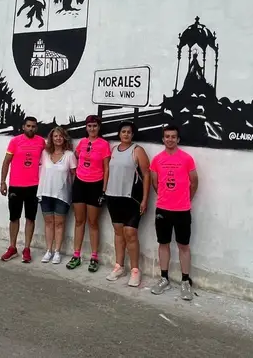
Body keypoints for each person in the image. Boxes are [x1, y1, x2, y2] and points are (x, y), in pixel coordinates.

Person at [149, 125, 199, 300]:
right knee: (163, 244)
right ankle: (164, 278)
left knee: (183, 246)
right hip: (163, 209)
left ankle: (185, 281)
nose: (170, 139)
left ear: (178, 140)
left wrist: (185, 199)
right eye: (167, 136)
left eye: (173, 137)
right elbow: (155, 184)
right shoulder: (156, 160)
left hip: (182, 210)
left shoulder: (187, 159)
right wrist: (166, 197)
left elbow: (194, 182)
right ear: (163, 139)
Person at [105, 121, 150, 287]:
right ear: (119, 134)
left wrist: (145, 199)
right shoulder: (114, 150)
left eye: (129, 132)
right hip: (113, 196)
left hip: (131, 198)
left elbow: (146, 175)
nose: (125, 134)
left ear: (132, 135)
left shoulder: (137, 150)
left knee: (130, 233)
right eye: (123, 132)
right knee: (118, 233)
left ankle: (135, 270)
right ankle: (119, 266)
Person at [66, 115, 111, 272]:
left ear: (99, 128)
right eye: (90, 126)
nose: (92, 129)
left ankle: (94, 257)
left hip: (96, 185)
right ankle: (76, 255)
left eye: (95, 126)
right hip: (80, 183)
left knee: (92, 222)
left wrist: (104, 190)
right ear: (86, 128)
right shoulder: (82, 143)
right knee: (79, 221)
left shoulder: (104, 144)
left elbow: (106, 168)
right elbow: (76, 156)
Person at [0, 116, 46, 264]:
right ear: (23, 127)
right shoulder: (15, 141)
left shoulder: (41, 142)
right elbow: (6, 162)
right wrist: (2, 182)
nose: (31, 128)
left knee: (30, 218)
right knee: (14, 218)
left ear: (36, 128)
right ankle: (12, 247)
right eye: (28, 126)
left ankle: (27, 249)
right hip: (16, 186)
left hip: (33, 186)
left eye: (33, 126)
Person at [37, 126, 77, 265]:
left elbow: (74, 175)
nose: (58, 138)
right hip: (45, 193)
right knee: (48, 223)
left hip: (62, 195)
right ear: (51, 138)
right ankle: (48, 251)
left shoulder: (69, 155)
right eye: (55, 136)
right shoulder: (44, 153)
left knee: (59, 224)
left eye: (60, 136)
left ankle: (57, 251)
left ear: (64, 138)